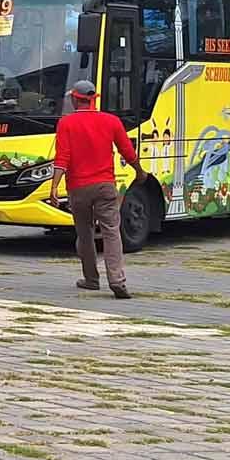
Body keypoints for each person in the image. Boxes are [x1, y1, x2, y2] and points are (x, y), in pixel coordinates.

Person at [48, 80, 144, 299]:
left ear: (74, 99)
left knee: (85, 233)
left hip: (78, 188)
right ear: (94, 99)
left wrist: (54, 186)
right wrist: (139, 171)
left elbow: (62, 158)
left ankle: (91, 279)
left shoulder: (66, 123)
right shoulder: (111, 121)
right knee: (111, 231)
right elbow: (128, 152)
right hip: (105, 186)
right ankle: (117, 280)